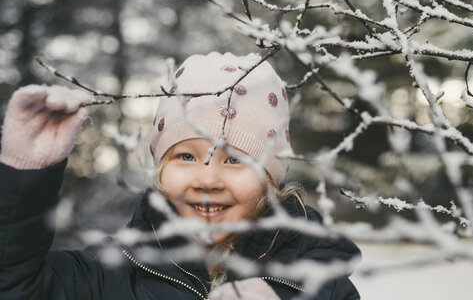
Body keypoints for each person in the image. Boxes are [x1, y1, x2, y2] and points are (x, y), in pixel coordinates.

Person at [0, 52, 361, 299]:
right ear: (160, 170)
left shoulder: (319, 283)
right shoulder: (109, 276)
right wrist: (24, 178)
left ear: (271, 179)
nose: (207, 180)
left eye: (235, 160)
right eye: (185, 155)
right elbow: (15, 287)